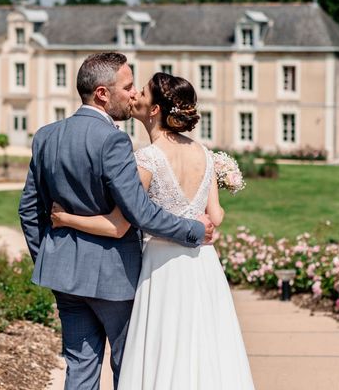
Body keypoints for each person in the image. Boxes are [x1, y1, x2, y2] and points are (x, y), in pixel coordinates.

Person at [18, 53, 214, 390]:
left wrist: (48, 258)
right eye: (126, 86)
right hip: (115, 279)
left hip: (64, 276)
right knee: (129, 365)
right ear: (102, 94)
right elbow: (139, 212)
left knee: (80, 369)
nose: (133, 93)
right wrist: (193, 230)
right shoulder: (113, 140)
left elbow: (29, 210)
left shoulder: (46, 135)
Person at [51, 72, 255, 390]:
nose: (134, 96)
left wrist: (65, 219)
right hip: (203, 264)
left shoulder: (147, 159)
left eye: (142, 92)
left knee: (164, 347)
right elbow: (215, 215)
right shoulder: (205, 154)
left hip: (163, 266)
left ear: (156, 109)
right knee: (204, 346)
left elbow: (119, 224)